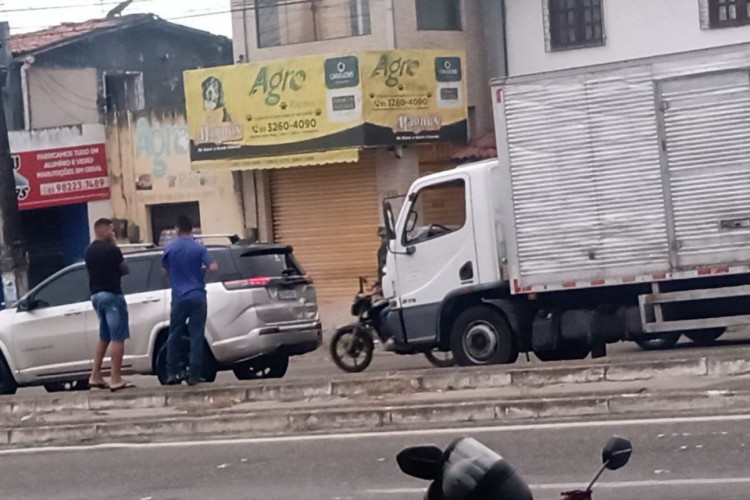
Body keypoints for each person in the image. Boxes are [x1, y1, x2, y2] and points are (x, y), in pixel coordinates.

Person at [162, 216, 218, 386]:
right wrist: (201, 270)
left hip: (179, 298)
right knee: (196, 335)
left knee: (174, 334)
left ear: (177, 229)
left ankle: (172, 372)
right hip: (197, 296)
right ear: (192, 229)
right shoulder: (199, 248)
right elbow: (213, 267)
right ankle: (194, 374)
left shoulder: (170, 248)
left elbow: (164, 271)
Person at [85, 218, 134, 392]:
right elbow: (125, 270)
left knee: (104, 336)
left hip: (96, 296)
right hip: (112, 295)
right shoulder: (112, 250)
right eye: (111, 230)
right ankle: (115, 378)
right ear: (104, 231)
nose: (114, 233)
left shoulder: (89, 251)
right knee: (117, 337)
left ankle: (95, 374)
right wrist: (114, 245)